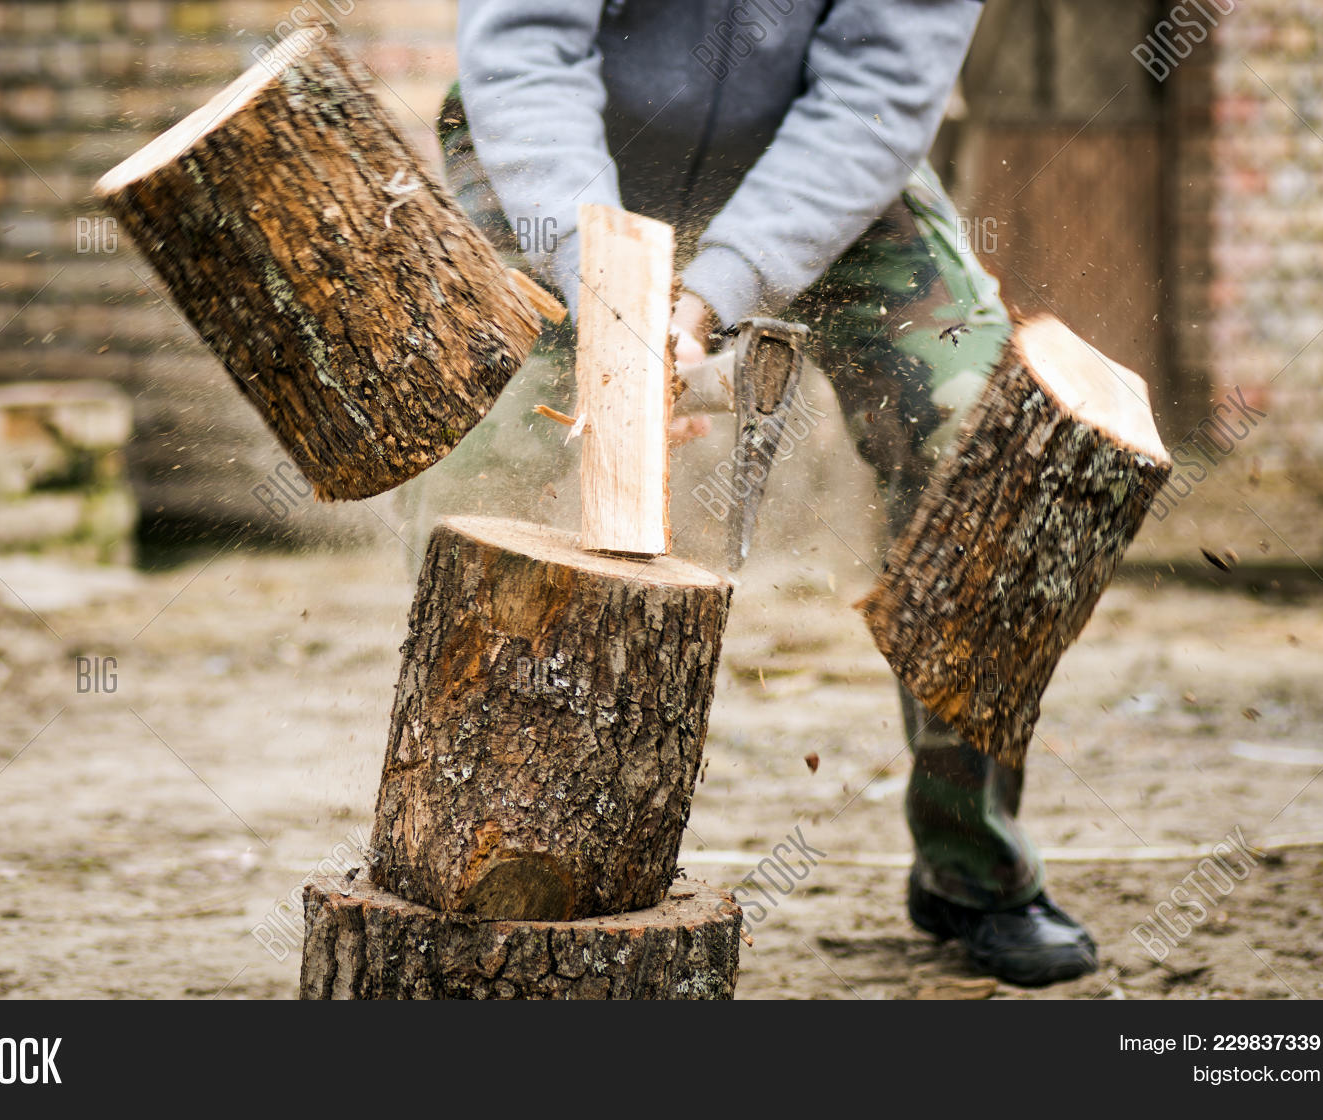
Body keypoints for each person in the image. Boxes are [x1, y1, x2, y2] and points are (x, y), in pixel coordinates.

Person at [442, 0, 1098, 987]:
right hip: (554, 150)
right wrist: (608, 292)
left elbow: (878, 88)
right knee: (484, 461)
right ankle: (468, 863)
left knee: (986, 446)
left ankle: (973, 858)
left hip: (819, 161)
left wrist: (716, 290)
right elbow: (527, 45)